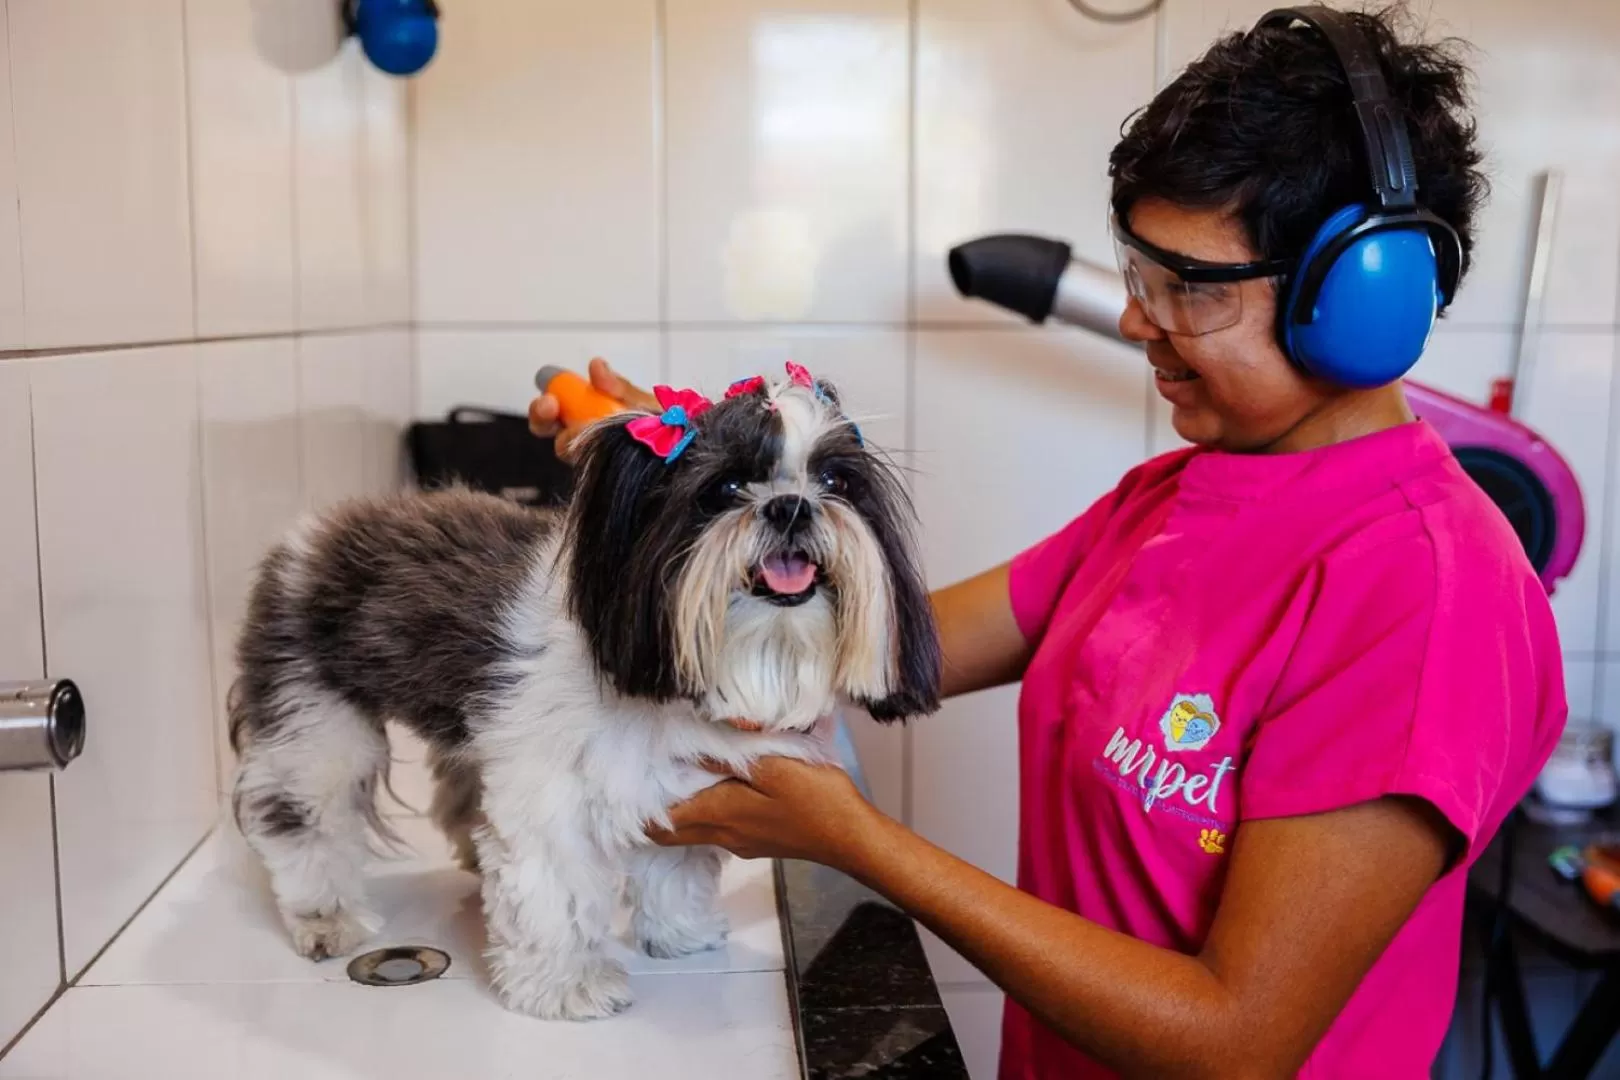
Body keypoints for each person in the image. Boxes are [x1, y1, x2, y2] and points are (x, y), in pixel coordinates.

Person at [529, 7, 1567, 1077]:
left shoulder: (1428, 599)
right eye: (1138, 275)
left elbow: (1237, 1041)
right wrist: (682, 476)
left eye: (1188, 291)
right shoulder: (1174, 499)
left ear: (1360, 297)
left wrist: (859, 843)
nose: (1135, 322)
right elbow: (882, 642)